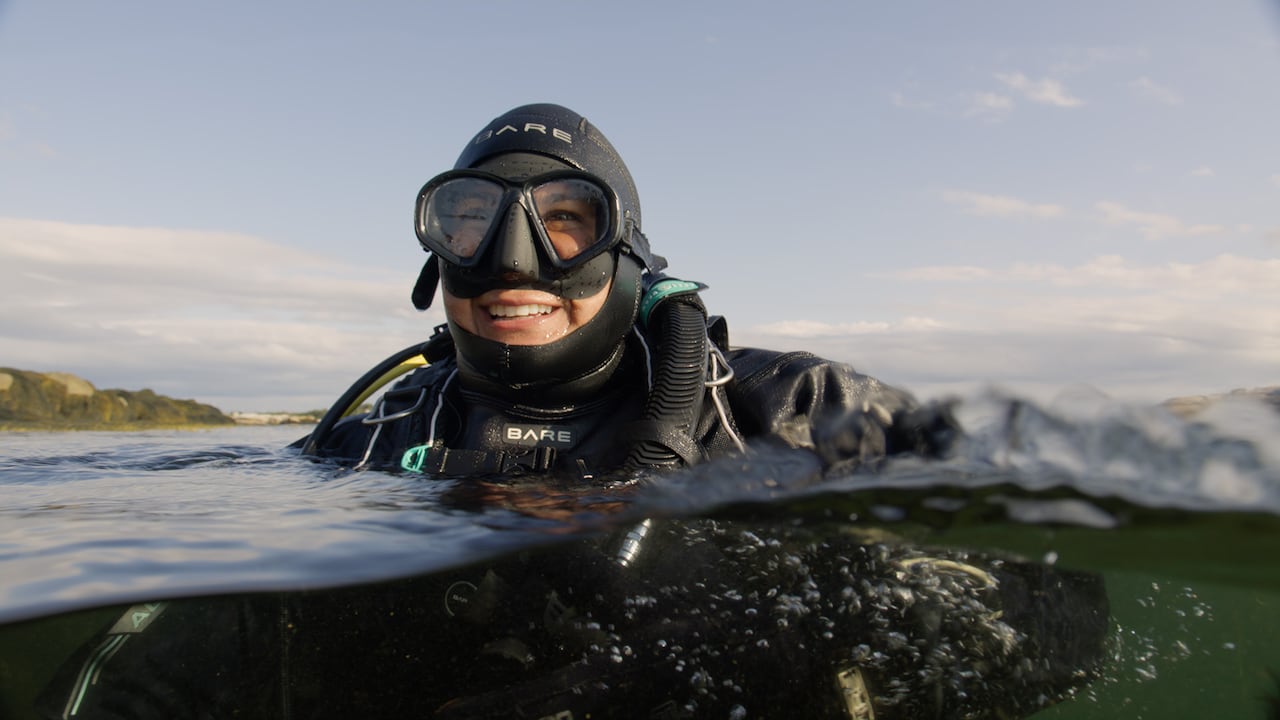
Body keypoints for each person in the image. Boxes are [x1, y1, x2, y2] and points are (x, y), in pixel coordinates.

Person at [37, 103, 1108, 719]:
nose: (511, 260)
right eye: (468, 220)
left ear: (629, 253)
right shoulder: (375, 435)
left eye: (563, 221)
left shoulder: (796, 412)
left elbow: (1068, 610)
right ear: (433, 256)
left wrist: (778, 600)